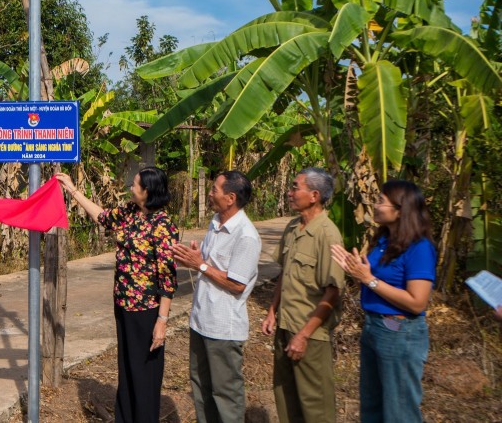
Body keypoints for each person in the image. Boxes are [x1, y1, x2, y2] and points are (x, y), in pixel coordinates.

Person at [56, 168, 178, 423]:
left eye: (135, 185)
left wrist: (162, 322)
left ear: (148, 192)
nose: (130, 188)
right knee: (127, 369)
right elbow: (101, 216)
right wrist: (72, 189)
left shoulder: (163, 226)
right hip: (123, 304)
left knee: (144, 373)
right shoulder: (129, 212)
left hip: (146, 309)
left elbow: (167, 278)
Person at [331, 180, 436, 423]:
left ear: (400, 210)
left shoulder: (419, 248)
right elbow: (375, 282)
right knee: (372, 407)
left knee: (399, 412)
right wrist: (357, 271)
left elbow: (417, 302)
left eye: (381, 201)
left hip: (400, 333)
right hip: (375, 328)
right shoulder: (384, 242)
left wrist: (369, 279)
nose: (375, 205)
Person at [174, 171, 262, 423]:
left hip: (223, 328)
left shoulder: (245, 235)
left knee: (225, 394)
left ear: (231, 197)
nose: (210, 194)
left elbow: (236, 284)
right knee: (201, 389)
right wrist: (196, 256)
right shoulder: (215, 223)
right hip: (201, 321)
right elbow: (209, 263)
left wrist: (200, 265)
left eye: (214, 190)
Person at [261, 167, 345, 423]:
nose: (289, 192)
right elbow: (284, 274)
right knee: (287, 400)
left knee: (315, 408)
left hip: (309, 335)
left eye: (295, 187)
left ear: (314, 195)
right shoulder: (292, 228)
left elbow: (332, 293)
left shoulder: (327, 234)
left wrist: (304, 335)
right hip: (286, 326)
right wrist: (272, 311)